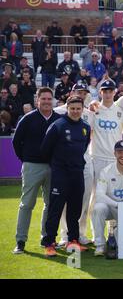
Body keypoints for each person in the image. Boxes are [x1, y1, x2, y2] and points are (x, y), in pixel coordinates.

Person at [11, 88, 61, 254]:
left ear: (53, 100)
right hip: (32, 166)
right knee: (27, 204)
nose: (47, 101)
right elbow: (16, 142)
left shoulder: (58, 119)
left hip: (53, 168)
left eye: (49, 98)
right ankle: (20, 240)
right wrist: (26, 159)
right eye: (43, 99)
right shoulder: (28, 119)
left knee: (50, 204)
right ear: (37, 100)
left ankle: (46, 238)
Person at [41, 96, 91, 257]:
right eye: (73, 108)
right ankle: (49, 243)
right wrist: (59, 165)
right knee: (55, 209)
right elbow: (45, 149)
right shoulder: (58, 126)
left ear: (82, 109)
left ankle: (73, 240)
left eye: (78, 108)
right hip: (60, 174)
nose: (75, 111)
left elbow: (83, 147)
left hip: (78, 174)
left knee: (75, 209)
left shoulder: (85, 127)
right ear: (67, 108)